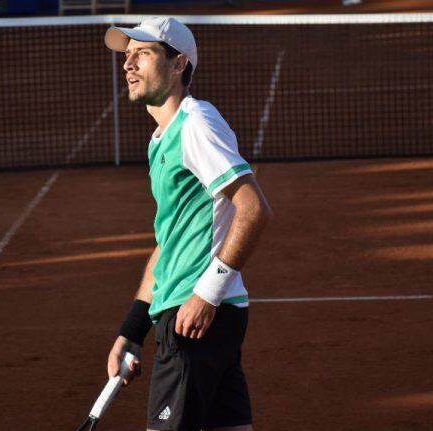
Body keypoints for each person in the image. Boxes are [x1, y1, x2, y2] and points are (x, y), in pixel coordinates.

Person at [103, 17, 273, 431]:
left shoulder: (195, 123)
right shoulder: (161, 139)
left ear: (178, 63)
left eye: (142, 53)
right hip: (203, 318)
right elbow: (168, 243)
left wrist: (206, 294)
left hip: (193, 318)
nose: (128, 65)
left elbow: (254, 208)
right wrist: (133, 329)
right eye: (127, 56)